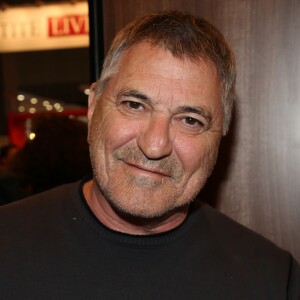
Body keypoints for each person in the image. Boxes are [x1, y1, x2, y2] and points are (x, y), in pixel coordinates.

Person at [0, 10, 299, 299]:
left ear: (220, 138)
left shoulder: (270, 279)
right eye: (134, 105)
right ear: (93, 108)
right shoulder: (8, 244)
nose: (155, 145)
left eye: (190, 121)